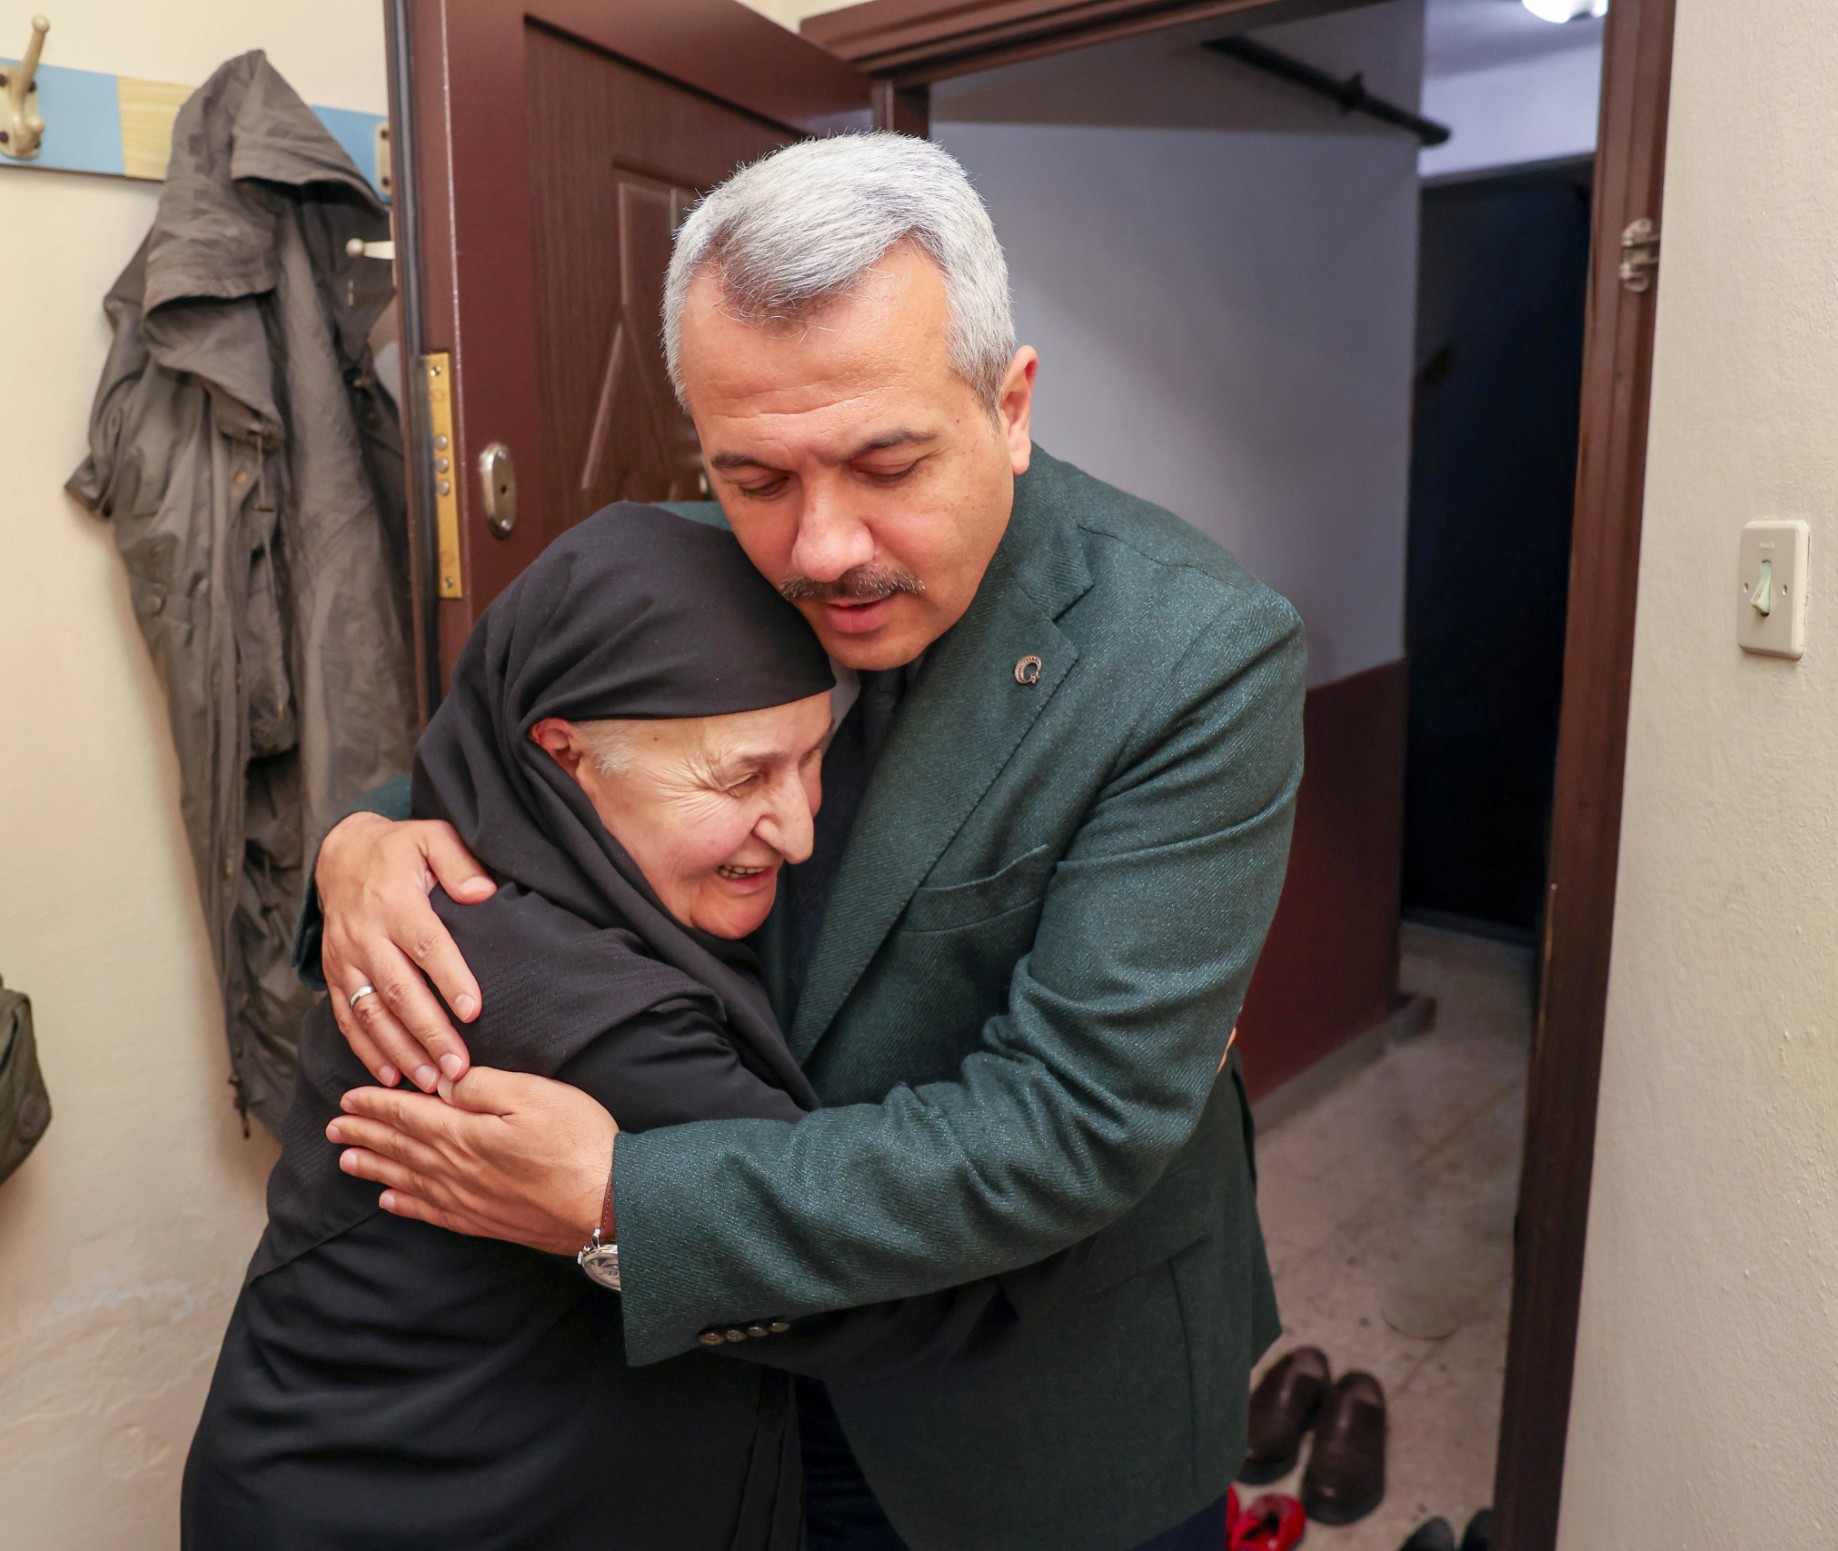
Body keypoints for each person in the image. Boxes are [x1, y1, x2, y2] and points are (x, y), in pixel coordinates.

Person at [316, 133, 1307, 1551]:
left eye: (886, 463)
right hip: (714, 1383)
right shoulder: (678, 560)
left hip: (1041, 1397)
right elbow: (495, 769)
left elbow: (1071, 1125)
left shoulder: (1198, 655)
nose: (822, 547)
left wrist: (621, 1200)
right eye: (756, 476)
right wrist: (359, 838)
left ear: (1010, 405)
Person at [183, 504, 1058, 1549]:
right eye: (743, 776)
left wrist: (359, 834)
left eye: (812, 756)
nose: (798, 827)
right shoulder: (564, 1016)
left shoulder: (507, 856)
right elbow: (897, 1293)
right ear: (564, 755)